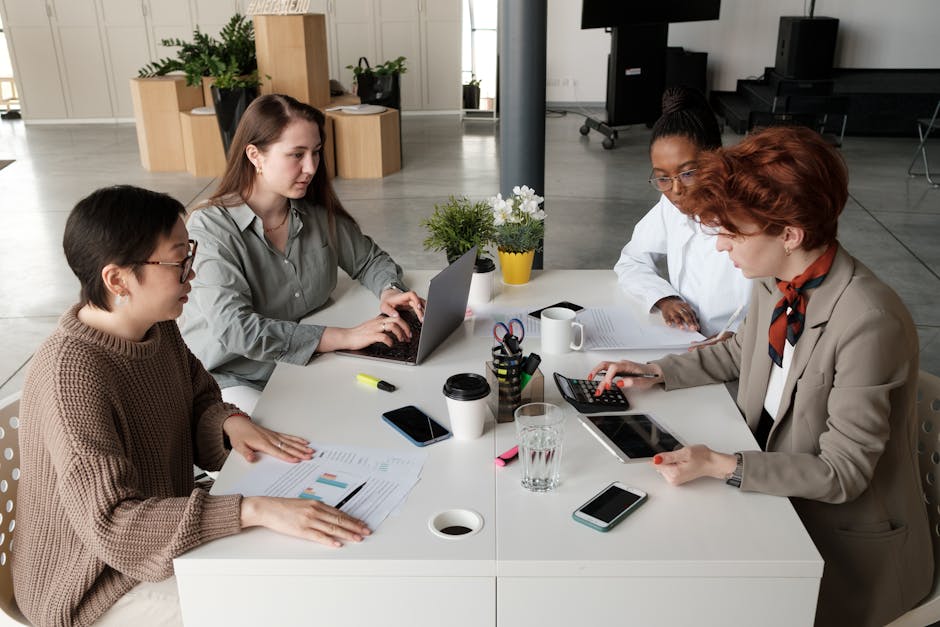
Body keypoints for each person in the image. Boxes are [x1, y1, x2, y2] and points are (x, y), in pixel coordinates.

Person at [591, 126, 932, 626]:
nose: (721, 247)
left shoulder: (867, 321)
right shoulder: (777, 280)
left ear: (790, 234)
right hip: (777, 499)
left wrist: (722, 464)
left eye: (731, 231)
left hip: (843, 549)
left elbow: (843, 474)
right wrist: (655, 371)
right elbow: (739, 354)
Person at [13, 186, 371, 626]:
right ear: (117, 279)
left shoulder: (156, 328)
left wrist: (227, 424)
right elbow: (113, 523)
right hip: (94, 585)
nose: (192, 273)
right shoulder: (70, 376)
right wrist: (252, 509)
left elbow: (198, 397)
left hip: (159, 539)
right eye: (176, 261)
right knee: (271, 604)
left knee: (304, 563)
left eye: (190, 254)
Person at [179, 94, 425, 413]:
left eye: (316, 152)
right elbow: (235, 330)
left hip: (307, 364)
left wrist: (389, 289)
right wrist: (343, 337)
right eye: (297, 154)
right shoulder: (210, 228)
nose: (310, 167)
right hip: (234, 379)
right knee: (287, 449)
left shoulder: (313, 212)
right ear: (255, 155)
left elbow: (368, 260)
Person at [614, 87, 750, 341]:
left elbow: (783, 296)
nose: (676, 190)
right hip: (686, 341)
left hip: (742, 352)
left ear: (716, 158)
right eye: (663, 178)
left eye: (688, 173)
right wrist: (665, 298)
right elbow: (632, 260)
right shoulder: (671, 207)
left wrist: (738, 337)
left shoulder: (753, 210)